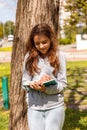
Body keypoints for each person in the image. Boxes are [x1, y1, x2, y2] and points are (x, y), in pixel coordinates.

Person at [22, 23, 67, 130]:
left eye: (44, 42)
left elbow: (63, 84)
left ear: (51, 39)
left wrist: (46, 88)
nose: (41, 46)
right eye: (37, 43)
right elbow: (24, 82)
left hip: (55, 106)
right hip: (34, 107)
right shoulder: (29, 57)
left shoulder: (59, 56)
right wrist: (31, 84)